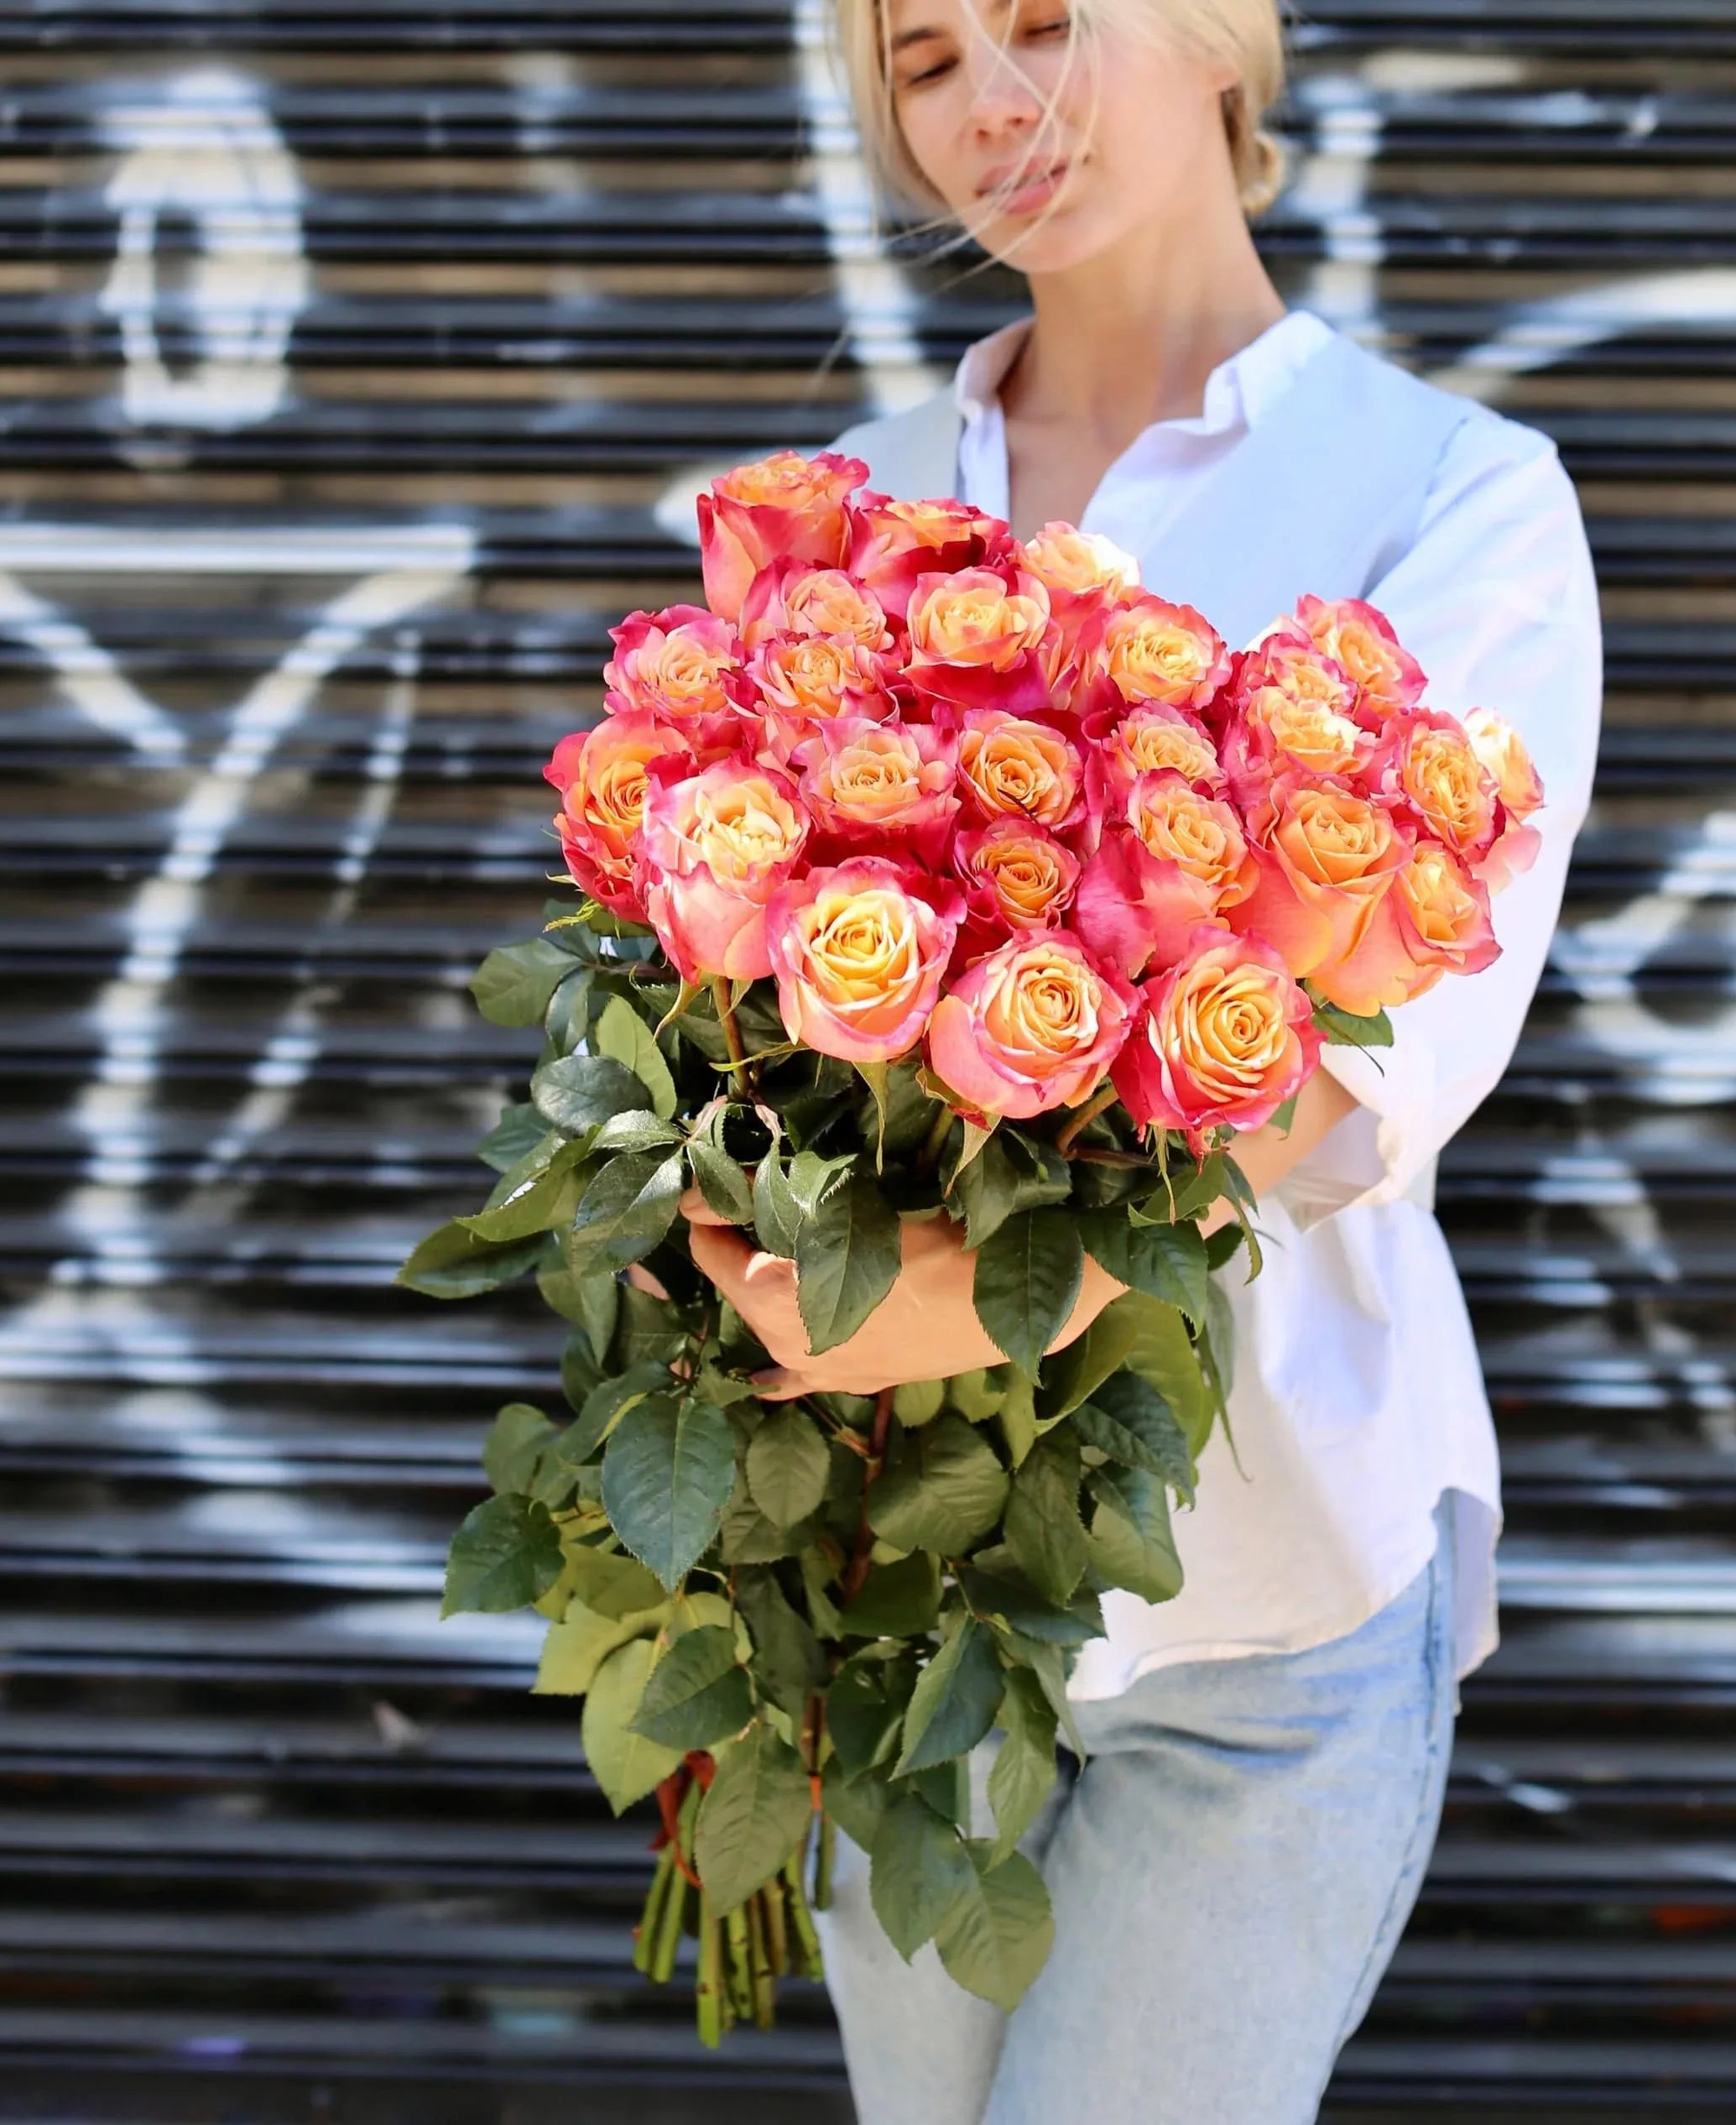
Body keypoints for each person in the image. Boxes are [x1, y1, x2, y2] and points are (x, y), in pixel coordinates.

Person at [681, 2, 1603, 2117]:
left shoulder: (1450, 496)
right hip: (899, 1611)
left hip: (1271, 1610)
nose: (993, 105)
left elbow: (1384, 1052)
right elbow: (725, 1016)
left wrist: (996, 1291)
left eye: (1040, 21)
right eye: (925, 61)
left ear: (1210, 32)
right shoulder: (840, 520)